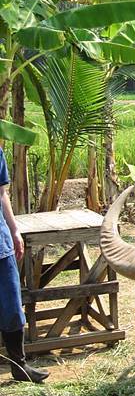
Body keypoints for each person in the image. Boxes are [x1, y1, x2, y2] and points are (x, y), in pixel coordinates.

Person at [0, 147, 49, 383]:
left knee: (11, 308)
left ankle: (19, 366)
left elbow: (2, 194)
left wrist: (14, 229)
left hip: (1, 245)